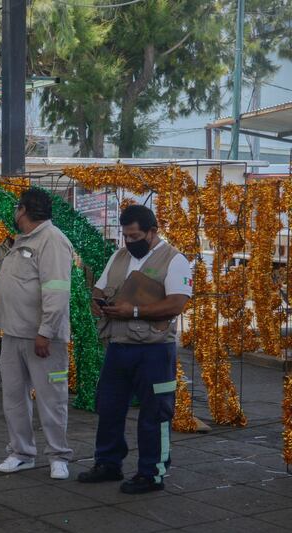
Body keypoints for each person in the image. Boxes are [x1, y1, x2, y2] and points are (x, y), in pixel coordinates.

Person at [77, 204, 192, 494]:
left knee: (156, 412)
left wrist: (136, 311)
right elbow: (100, 290)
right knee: (109, 407)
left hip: (155, 350)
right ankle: (108, 463)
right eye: (126, 236)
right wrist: (98, 301)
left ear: (152, 232)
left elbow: (177, 303)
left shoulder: (174, 259)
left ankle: (151, 473)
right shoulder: (119, 256)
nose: (129, 242)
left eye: (135, 236)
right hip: (118, 346)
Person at [0, 188, 74, 480]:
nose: (14, 213)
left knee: (52, 399)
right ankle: (21, 453)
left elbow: (57, 292)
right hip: (12, 335)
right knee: (14, 398)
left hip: (43, 339)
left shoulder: (53, 240)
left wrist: (45, 332)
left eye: (15, 208)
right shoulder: (22, 240)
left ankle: (58, 456)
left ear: (23, 210)